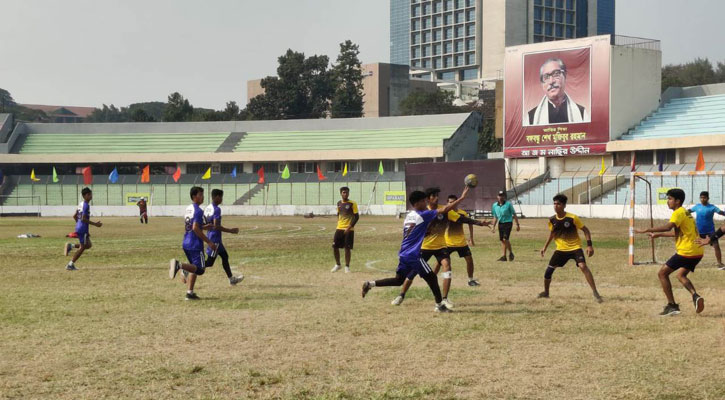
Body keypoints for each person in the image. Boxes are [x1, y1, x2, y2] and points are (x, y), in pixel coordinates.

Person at [361, 186, 471, 313]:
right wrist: (462, 197)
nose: (426, 203)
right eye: (424, 201)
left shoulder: (410, 215)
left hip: (403, 254)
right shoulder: (423, 214)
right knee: (432, 277)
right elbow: (445, 209)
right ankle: (439, 305)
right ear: (418, 203)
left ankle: (370, 284)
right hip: (413, 255)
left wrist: (426, 232)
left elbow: (417, 231)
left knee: (398, 280)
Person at [390, 188, 487, 307]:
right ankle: (401, 295)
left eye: (437, 195)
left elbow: (461, 219)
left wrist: (480, 223)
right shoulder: (423, 212)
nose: (437, 198)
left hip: (441, 246)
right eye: (433, 196)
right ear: (427, 199)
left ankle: (444, 299)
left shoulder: (444, 210)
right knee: (413, 272)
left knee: (447, 265)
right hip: (425, 246)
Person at [637, 188, 705, 316]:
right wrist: (660, 235)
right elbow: (678, 232)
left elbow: (669, 226)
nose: (668, 202)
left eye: (670, 199)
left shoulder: (677, 213)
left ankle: (672, 306)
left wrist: (647, 229)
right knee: (681, 275)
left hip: (687, 251)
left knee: (662, 274)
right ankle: (695, 296)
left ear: (677, 201)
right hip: (697, 251)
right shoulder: (685, 212)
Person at [539, 194, 602, 303]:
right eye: (554, 203)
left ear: (564, 205)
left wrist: (589, 245)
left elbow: (586, 230)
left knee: (583, 266)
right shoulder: (552, 220)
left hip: (575, 248)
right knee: (548, 272)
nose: (555, 206)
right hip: (560, 250)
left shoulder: (572, 218)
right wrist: (545, 247)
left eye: (558, 204)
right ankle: (546, 292)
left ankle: (595, 292)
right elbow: (552, 233)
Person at [168, 186, 218, 300]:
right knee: (200, 269)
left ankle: (189, 293)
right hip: (194, 244)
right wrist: (209, 242)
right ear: (194, 196)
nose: (202, 197)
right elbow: (195, 228)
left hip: (186, 242)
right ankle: (179, 266)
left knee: (194, 268)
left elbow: (192, 226)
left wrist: (204, 226)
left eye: (202, 194)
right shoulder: (199, 211)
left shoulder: (189, 208)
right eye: (200, 195)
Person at [526, 58, 589, 126]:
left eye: (556, 74)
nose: (551, 81)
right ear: (542, 84)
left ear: (565, 76)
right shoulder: (530, 118)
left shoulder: (582, 114)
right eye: (546, 77)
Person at [203, 189, 244, 286]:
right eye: (221, 197)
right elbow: (216, 226)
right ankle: (188, 269)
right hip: (215, 239)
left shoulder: (208, 208)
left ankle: (231, 279)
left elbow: (206, 223)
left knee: (225, 257)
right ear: (216, 197)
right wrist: (231, 230)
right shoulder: (217, 209)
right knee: (209, 262)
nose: (221, 199)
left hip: (213, 237)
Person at [64, 187, 102, 270]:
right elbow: (84, 219)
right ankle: (70, 264)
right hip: (82, 228)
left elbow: (74, 216)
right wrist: (95, 224)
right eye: (90, 194)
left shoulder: (81, 204)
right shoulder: (86, 206)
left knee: (88, 245)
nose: (91, 196)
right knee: (83, 247)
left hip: (80, 227)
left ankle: (71, 246)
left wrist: (79, 225)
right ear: (86, 195)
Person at [687, 191, 725, 269]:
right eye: (701, 197)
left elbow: (721, 212)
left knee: (716, 246)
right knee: (692, 246)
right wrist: (684, 215)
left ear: (708, 198)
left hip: (710, 231)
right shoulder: (697, 206)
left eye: (704, 197)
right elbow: (688, 212)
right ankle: (688, 263)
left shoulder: (712, 207)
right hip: (699, 231)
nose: (702, 199)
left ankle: (719, 263)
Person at [331, 186, 359, 273]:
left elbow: (356, 217)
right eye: (343, 192)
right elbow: (338, 214)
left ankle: (347, 267)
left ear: (348, 193)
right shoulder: (339, 203)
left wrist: (349, 227)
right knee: (335, 247)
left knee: (347, 248)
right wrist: (339, 223)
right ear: (341, 193)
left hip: (349, 229)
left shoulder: (352, 203)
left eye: (347, 192)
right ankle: (338, 264)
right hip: (339, 228)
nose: (345, 194)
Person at [491, 190, 520, 262]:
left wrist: (517, 224)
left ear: (504, 197)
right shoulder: (494, 205)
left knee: (505, 239)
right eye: (499, 196)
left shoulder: (508, 204)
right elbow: (495, 216)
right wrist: (493, 226)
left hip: (508, 223)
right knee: (503, 240)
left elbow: (514, 214)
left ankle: (504, 256)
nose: (501, 197)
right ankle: (509, 253)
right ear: (497, 196)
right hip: (500, 223)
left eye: (502, 196)